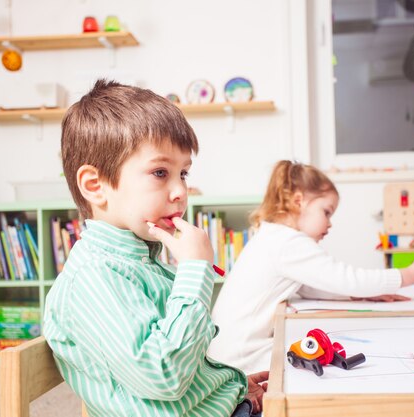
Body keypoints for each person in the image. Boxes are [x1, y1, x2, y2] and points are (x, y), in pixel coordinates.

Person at [43, 79, 268, 417]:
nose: (180, 191)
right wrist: (194, 270)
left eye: (184, 174)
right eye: (160, 172)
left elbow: (184, 369)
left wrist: (229, 384)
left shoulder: (142, 262)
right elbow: (164, 376)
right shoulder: (94, 277)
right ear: (95, 186)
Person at [207, 160, 414, 374]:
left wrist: (355, 297)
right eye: (326, 212)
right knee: (326, 363)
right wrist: (410, 275)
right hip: (241, 359)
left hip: (226, 353)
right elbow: (346, 278)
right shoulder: (288, 243)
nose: (330, 223)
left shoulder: (272, 236)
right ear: (299, 201)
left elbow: (308, 286)